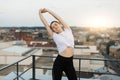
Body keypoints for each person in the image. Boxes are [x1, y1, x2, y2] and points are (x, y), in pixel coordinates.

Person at [39, 8, 77, 80]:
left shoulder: (68, 30)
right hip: (60, 62)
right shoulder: (55, 35)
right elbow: (46, 25)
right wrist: (39, 12)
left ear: (60, 24)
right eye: (53, 27)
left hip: (69, 62)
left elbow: (58, 18)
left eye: (56, 24)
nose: (55, 27)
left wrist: (48, 11)